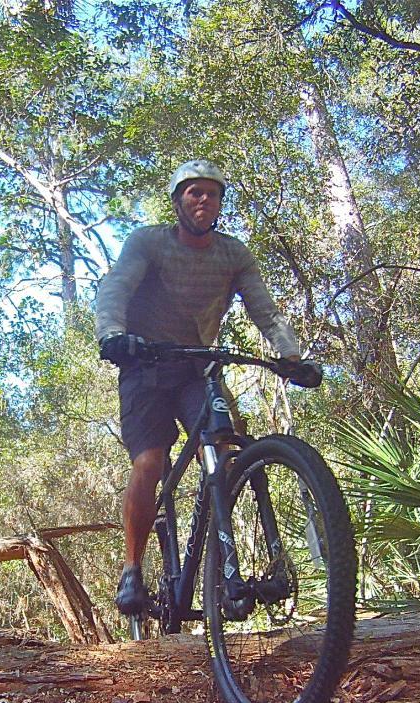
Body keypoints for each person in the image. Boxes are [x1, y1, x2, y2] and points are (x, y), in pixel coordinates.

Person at [94, 159, 319, 615]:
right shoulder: (148, 242)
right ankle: (132, 567)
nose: (203, 199)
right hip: (144, 363)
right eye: (193, 192)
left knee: (224, 450)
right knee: (151, 459)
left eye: (211, 194)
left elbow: (266, 311)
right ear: (178, 201)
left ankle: (221, 565)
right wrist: (112, 334)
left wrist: (290, 357)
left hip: (196, 363)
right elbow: (115, 288)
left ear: (219, 204)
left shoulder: (233, 254)